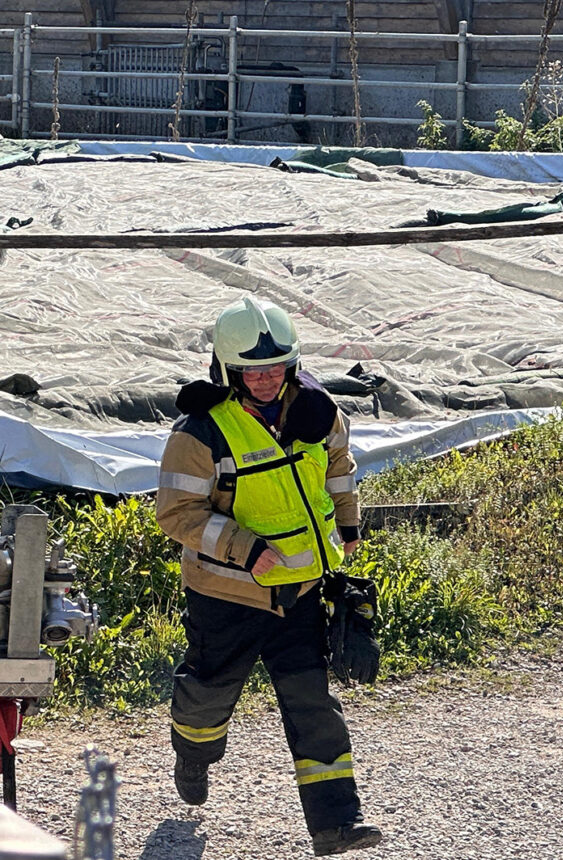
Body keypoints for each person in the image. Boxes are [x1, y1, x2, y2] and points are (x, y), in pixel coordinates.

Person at [154, 297, 382, 857]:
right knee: (208, 697)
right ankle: (193, 752)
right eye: (252, 370)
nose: (264, 379)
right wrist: (244, 548)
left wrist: (349, 526)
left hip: (299, 593)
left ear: (293, 364)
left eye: (276, 368)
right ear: (228, 370)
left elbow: (339, 470)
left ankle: (337, 823)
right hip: (226, 597)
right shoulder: (200, 432)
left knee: (312, 702)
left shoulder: (319, 412)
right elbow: (176, 514)